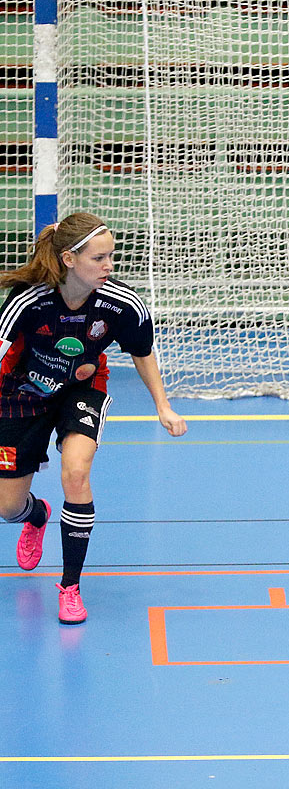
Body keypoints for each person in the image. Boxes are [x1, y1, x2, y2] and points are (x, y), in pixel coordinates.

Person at [0, 212, 188, 624]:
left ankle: (70, 586)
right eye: (99, 259)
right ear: (69, 258)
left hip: (81, 391)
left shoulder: (121, 304)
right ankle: (36, 515)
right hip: (22, 393)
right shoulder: (27, 301)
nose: (109, 267)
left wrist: (163, 404)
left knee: (76, 474)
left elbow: (142, 352)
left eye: (111, 257)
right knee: (7, 508)